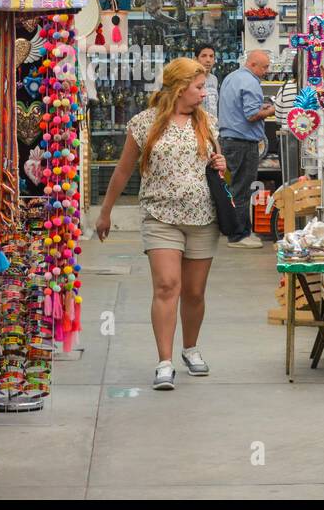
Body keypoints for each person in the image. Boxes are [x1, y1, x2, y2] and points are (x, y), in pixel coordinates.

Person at [95, 58, 227, 390]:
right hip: (160, 217)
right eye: (198, 87)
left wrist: (220, 163)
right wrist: (106, 211)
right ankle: (164, 361)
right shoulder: (144, 123)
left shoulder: (207, 123)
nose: (203, 92)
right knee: (167, 285)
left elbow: (216, 166)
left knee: (195, 292)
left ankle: (191, 349)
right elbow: (123, 170)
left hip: (203, 218)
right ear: (180, 88)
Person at [218, 49, 275, 248]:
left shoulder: (231, 77)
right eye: (265, 66)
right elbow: (251, 115)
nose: (267, 71)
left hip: (229, 139)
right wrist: (271, 110)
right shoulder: (251, 82)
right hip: (243, 142)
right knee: (241, 189)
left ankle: (237, 230)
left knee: (233, 187)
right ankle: (239, 235)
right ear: (252, 65)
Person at [195, 43, 220, 118]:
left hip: (212, 126)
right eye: (204, 56)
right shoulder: (190, 79)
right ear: (195, 59)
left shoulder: (214, 79)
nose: (208, 60)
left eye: (211, 56)